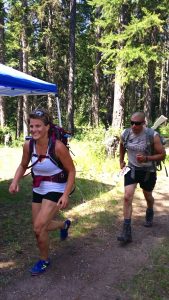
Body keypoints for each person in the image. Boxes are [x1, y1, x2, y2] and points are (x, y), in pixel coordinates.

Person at [9, 109, 76, 275]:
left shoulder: (58, 147)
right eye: (31, 126)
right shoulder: (28, 145)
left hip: (56, 187)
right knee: (39, 227)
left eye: (38, 126)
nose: (34, 130)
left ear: (47, 127)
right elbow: (23, 165)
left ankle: (44, 260)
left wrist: (65, 194)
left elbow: (72, 171)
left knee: (39, 228)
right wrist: (15, 181)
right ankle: (64, 224)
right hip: (38, 188)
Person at [117, 111, 166, 243]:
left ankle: (150, 210)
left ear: (143, 123)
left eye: (137, 123)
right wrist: (121, 160)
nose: (133, 126)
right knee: (127, 197)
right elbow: (122, 145)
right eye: (131, 123)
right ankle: (126, 232)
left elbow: (162, 155)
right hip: (131, 169)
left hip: (148, 172)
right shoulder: (126, 133)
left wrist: (146, 158)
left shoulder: (152, 135)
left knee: (148, 196)